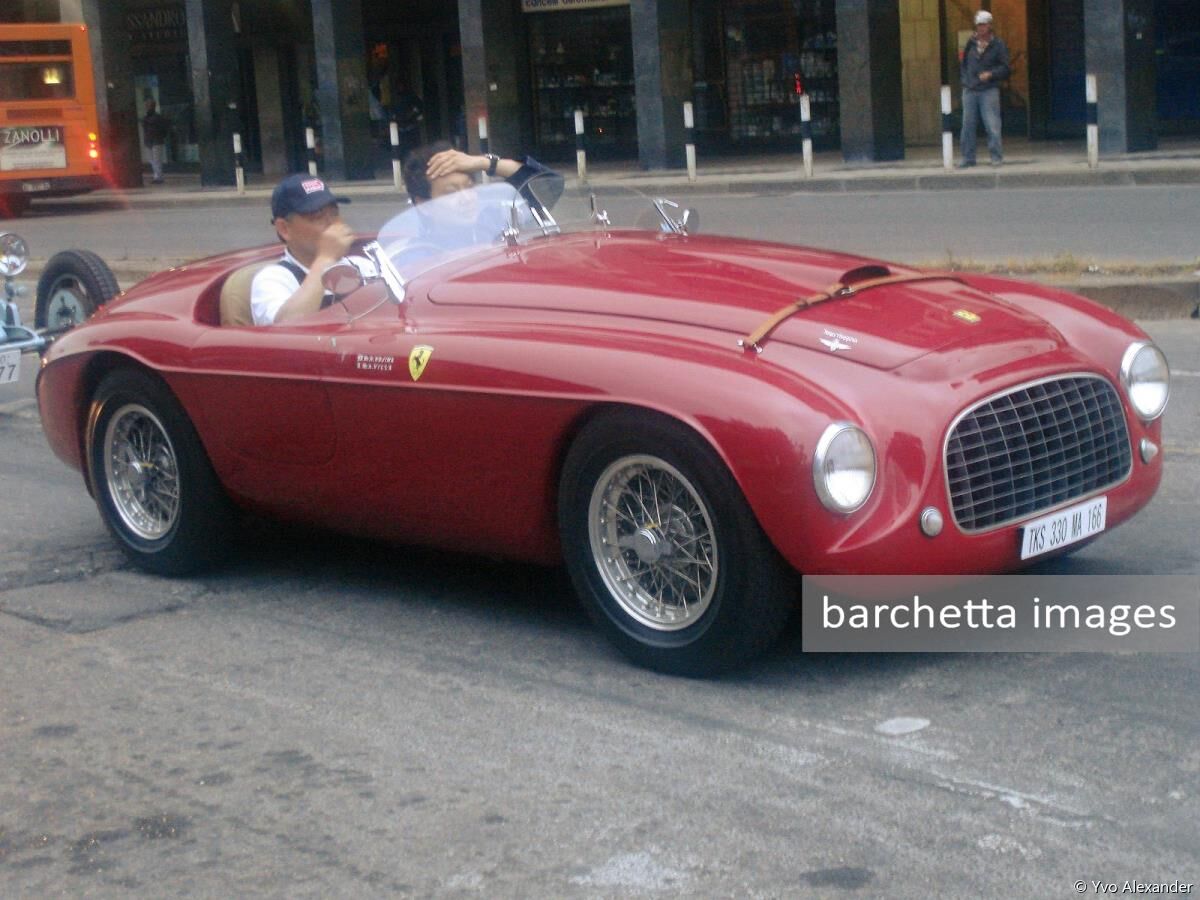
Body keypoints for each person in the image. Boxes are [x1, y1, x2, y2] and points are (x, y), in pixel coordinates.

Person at [250, 174, 377, 326]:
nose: (332, 224)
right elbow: (285, 329)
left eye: (334, 214)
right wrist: (325, 260)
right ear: (284, 229)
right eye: (317, 217)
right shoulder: (273, 279)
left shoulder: (362, 266)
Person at [958, 10, 1010, 168]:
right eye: (979, 25)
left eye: (984, 25)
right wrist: (966, 80)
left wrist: (991, 74)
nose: (981, 28)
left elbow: (1005, 68)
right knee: (967, 125)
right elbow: (964, 63)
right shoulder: (971, 42)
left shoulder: (998, 45)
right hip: (970, 89)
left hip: (989, 89)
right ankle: (968, 158)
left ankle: (996, 157)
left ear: (990, 26)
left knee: (992, 124)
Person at [141, 98, 169, 184]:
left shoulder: (156, 118)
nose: (147, 107)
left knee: (156, 160)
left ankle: (158, 177)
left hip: (156, 140)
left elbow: (163, 129)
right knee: (153, 160)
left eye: (148, 105)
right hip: (151, 140)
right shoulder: (148, 118)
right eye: (147, 105)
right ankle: (157, 176)